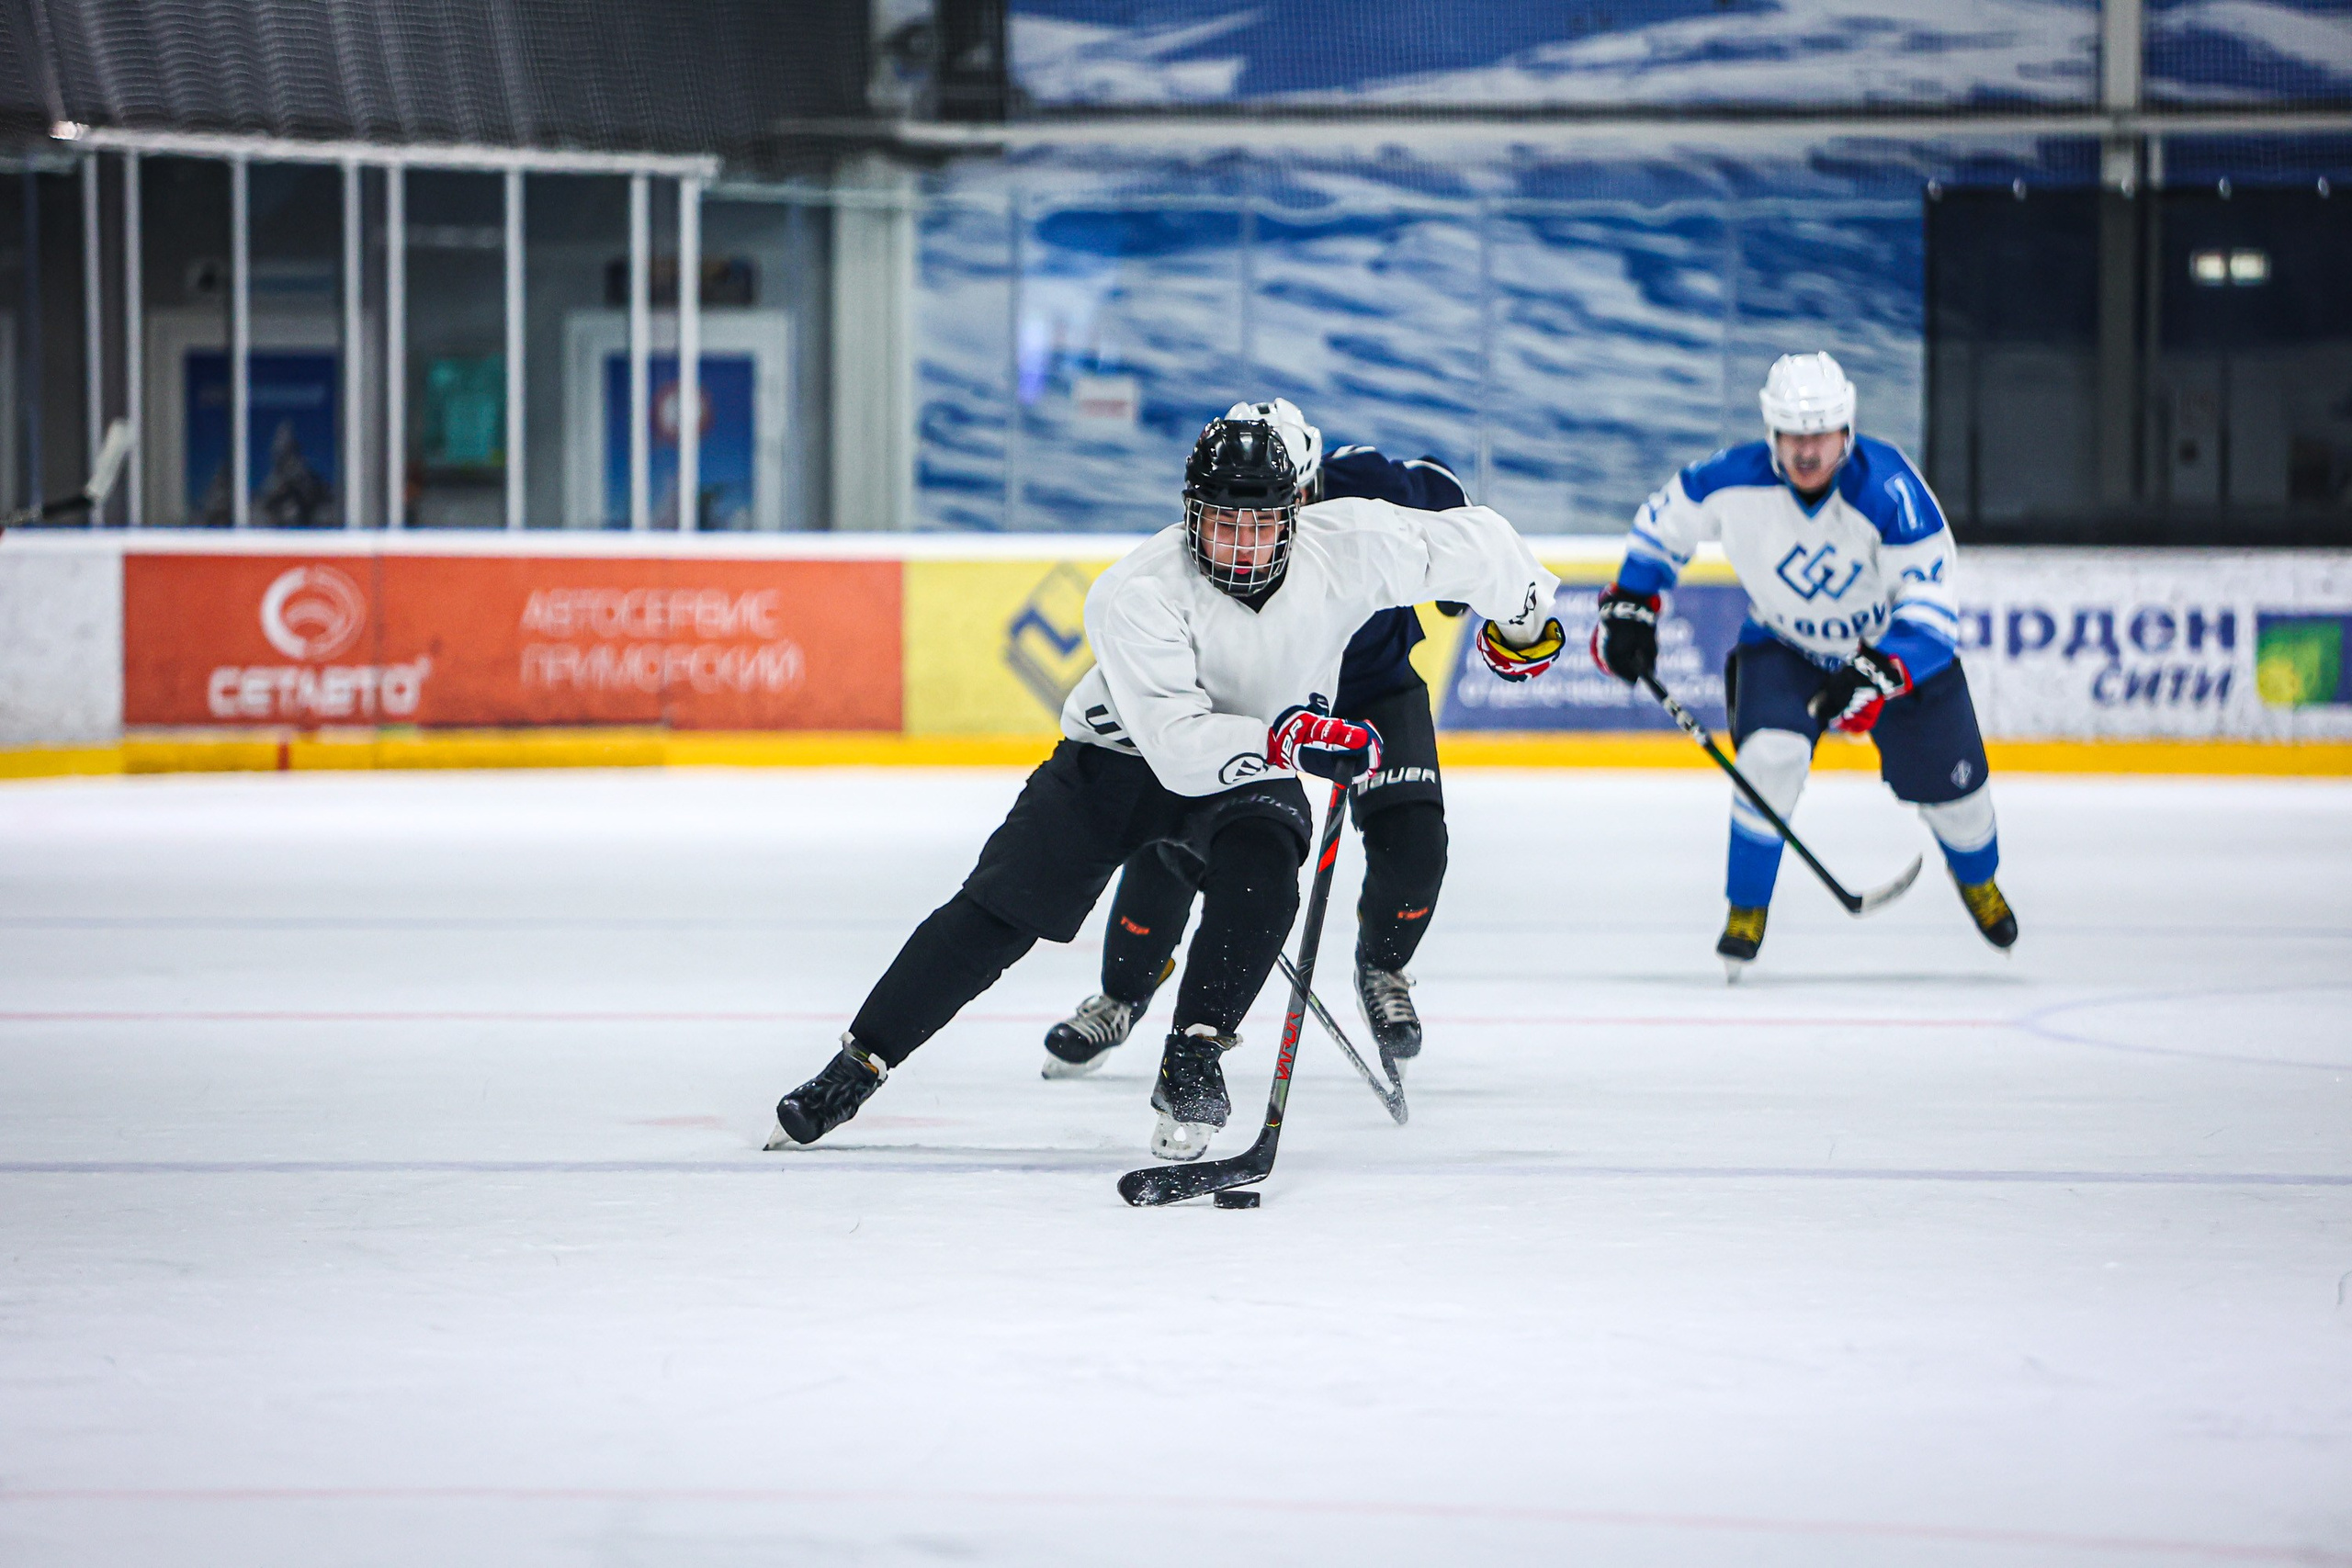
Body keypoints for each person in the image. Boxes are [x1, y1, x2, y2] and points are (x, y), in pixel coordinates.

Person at [768, 414, 1565, 1161]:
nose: (1242, 544)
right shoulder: (1135, 590)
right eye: (1223, 521)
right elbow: (1180, 751)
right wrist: (1289, 737)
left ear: (1297, 510)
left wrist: (1525, 624)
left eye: (1260, 522)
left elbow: (1478, 545)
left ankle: (1193, 1060)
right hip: (1120, 759)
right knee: (999, 911)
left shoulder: (1352, 544)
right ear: (1190, 514)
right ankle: (860, 1061)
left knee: (1263, 872)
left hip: (1250, 764)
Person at [1040, 399, 1468, 1083]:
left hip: (1373, 687)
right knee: (1175, 836)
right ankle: (1122, 994)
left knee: (1417, 841)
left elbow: (1451, 500)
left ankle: (1383, 965)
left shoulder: (1368, 484)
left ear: (1314, 477)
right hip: (1265, 698)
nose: (1267, 519)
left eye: (1294, 496)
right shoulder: (1228, 522)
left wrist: (1464, 587)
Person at [1590, 351, 2018, 976]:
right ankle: (1746, 908)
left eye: (1819, 434)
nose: (1806, 451)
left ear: (1845, 430)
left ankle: (1979, 879)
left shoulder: (1891, 490)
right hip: (1786, 648)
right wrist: (1633, 600)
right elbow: (1665, 521)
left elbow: (1932, 609)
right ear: (1772, 433)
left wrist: (1879, 671)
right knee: (1769, 760)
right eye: (1793, 435)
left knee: (1959, 799)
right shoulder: (1734, 478)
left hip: (1889, 652)